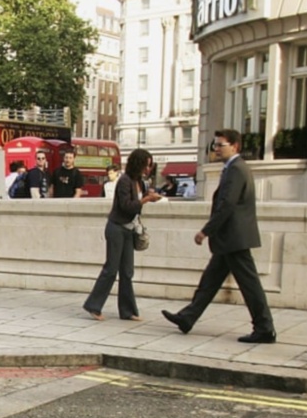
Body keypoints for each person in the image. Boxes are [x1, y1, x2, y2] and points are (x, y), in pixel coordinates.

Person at [162, 129, 276, 343]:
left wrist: (206, 231)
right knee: (209, 281)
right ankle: (188, 318)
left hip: (234, 238)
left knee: (250, 286)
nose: (216, 149)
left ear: (235, 146)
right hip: (230, 239)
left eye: (220, 145)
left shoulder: (236, 170)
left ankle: (264, 328)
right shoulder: (233, 168)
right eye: (214, 145)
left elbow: (226, 206)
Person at [83, 149, 163, 321]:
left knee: (127, 271)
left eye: (150, 166)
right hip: (116, 228)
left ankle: (128, 311)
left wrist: (148, 195)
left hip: (129, 229)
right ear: (139, 163)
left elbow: (135, 204)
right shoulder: (124, 181)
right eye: (146, 165)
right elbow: (127, 206)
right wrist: (147, 200)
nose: (148, 169)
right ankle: (93, 305)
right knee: (111, 269)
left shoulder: (139, 181)